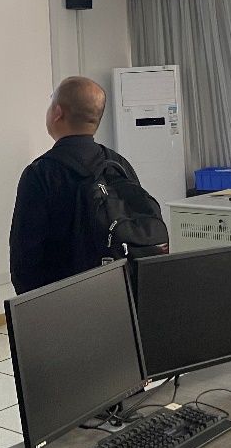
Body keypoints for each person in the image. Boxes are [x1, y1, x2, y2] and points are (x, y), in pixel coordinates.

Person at [9, 76, 139, 294]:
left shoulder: (40, 173)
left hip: (63, 300)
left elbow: (25, 259)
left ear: (58, 113)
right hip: (119, 292)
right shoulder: (119, 165)